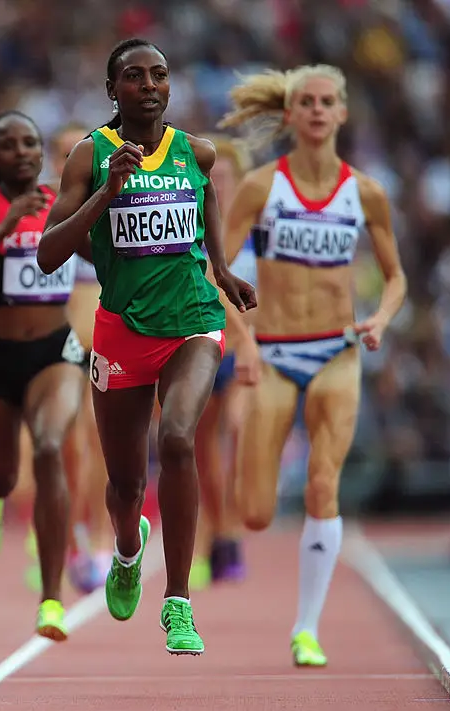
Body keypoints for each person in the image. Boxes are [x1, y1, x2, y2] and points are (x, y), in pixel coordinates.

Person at [36, 38, 255, 656]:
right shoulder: (89, 155)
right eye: (135, 77)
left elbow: (207, 190)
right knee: (125, 484)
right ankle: (128, 552)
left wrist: (222, 265)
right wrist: (107, 193)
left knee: (180, 438)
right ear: (114, 90)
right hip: (122, 332)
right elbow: (49, 252)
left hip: (192, 322)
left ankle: (178, 604)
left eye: (160, 75)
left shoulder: (196, 151)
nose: (150, 85)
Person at [217, 64, 406, 666]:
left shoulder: (366, 192)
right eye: (308, 102)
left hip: (337, 352)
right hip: (271, 355)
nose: (319, 110)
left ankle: (307, 629)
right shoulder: (262, 188)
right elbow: (213, 270)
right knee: (256, 512)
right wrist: (243, 342)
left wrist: (379, 319)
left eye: (329, 101)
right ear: (291, 114)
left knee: (325, 482)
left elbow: (397, 276)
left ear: (342, 113)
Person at [0, 110, 86, 641]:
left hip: (56, 352)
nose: (23, 152)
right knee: (2, 476)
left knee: (50, 449)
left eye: (30, 143)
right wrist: (4, 228)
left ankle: (51, 599)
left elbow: (104, 252)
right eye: (9, 145)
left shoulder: (59, 199)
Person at [188, 134, 256, 590]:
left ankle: (228, 528)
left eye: (229, 176)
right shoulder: (197, 226)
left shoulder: (256, 230)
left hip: (249, 355)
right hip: (209, 347)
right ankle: (217, 534)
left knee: (239, 431)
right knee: (204, 451)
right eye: (215, 176)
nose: (222, 183)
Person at [53, 121, 115, 594]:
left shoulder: (109, 202)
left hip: (100, 343)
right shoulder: (40, 209)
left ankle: (92, 538)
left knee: (92, 448)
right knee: (62, 447)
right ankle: (65, 538)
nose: (66, 158)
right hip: (53, 345)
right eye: (59, 150)